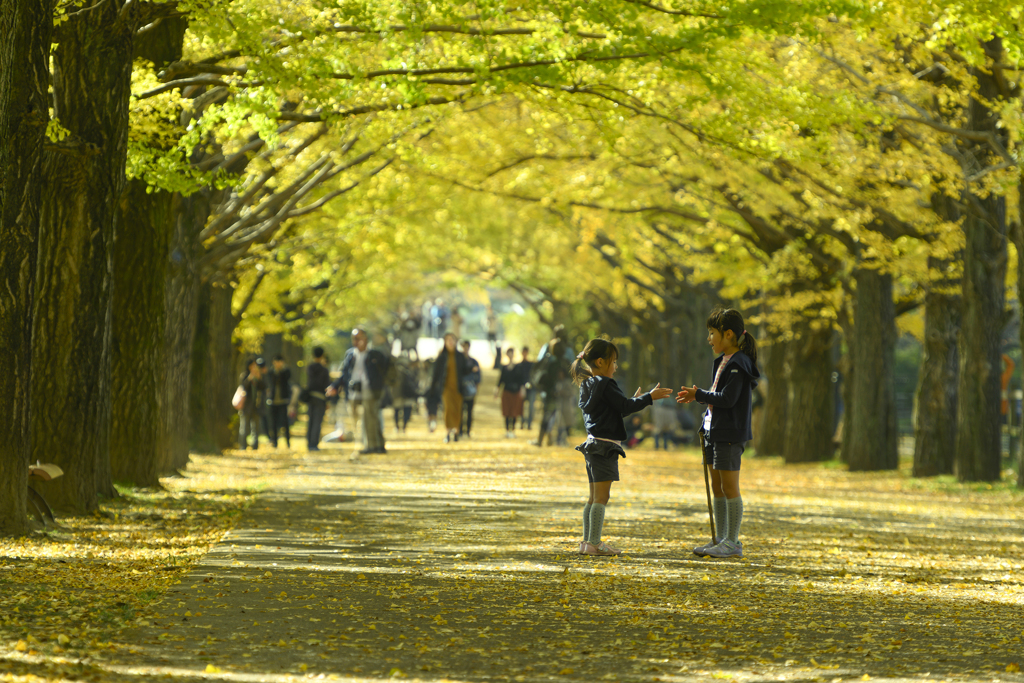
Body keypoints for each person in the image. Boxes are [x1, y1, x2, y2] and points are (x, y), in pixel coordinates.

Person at [571, 338, 673, 556]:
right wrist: (649, 398)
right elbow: (624, 406)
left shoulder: (588, 385)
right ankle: (595, 543)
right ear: (600, 361)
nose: (616, 367)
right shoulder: (606, 384)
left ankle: (587, 542)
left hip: (592, 445)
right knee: (602, 497)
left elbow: (617, 409)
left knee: (593, 497)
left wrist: (635, 400)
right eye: (614, 361)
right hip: (606, 447)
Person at [677, 307, 760, 559]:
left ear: (729, 334)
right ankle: (720, 540)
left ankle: (732, 542)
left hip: (729, 433)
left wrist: (698, 394)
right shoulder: (724, 361)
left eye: (712, 333)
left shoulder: (739, 364)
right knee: (717, 486)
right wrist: (700, 398)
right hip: (714, 431)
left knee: (729, 486)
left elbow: (728, 398)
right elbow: (717, 398)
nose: (709, 338)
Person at [329, 328, 391, 455]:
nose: (356, 341)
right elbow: (344, 373)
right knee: (356, 419)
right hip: (353, 391)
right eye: (354, 338)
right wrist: (335, 386)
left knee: (370, 418)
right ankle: (375, 445)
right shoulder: (350, 355)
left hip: (370, 390)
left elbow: (386, 368)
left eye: (359, 338)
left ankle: (372, 446)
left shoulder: (374, 354)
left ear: (366, 339)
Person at [429, 332, 468, 443]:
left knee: (457, 410)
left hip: (458, 388)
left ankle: (456, 431)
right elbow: (436, 374)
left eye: (452, 340)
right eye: (448, 340)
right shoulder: (442, 357)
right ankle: (448, 431)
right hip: (446, 388)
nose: (450, 343)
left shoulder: (460, 357)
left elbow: (465, 371)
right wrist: (432, 388)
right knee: (447, 410)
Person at [532, 339, 570, 446]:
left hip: (551, 395)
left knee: (547, 416)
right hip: (564, 396)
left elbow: (546, 380)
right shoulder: (566, 362)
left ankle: (540, 440)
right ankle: (560, 440)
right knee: (562, 417)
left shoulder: (551, 363)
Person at [305, 347, 332, 451]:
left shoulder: (310, 367)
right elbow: (326, 385)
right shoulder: (324, 370)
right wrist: (328, 401)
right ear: (322, 355)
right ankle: (314, 443)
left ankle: (308, 442)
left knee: (310, 420)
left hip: (311, 396)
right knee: (317, 421)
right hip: (320, 398)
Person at [266, 354, 295, 448]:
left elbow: (286, 379)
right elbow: (270, 381)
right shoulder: (271, 372)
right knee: (273, 422)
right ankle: (274, 441)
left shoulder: (286, 371)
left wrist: (281, 370)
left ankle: (287, 441)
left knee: (285, 421)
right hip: (273, 400)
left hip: (283, 400)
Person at [238, 357, 266, 450]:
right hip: (246, 406)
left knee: (255, 428)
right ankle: (243, 446)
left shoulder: (258, 376)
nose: (254, 367)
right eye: (253, 365)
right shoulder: (244, 375)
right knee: (244, 428)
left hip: (256, 406)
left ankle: (255, 446)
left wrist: (258, 378)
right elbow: (243, 387)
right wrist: (250, 378)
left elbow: (263, 387)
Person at [496, 347, 524, 437]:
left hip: (515, 392)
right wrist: (497, 391)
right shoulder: (504, 368)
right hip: (506, 392)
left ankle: (513, 430)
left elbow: (521, 380)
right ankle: (508, 430)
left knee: (514, 412)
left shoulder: (518, 367)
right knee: (507, 412)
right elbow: (501, 381)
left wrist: (522, 389)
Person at [460, 340, 482, 438]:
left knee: (469, 411)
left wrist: (476, 389)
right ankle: (460, 430)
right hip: (460, 389)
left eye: (467, 347)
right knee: (460, 411)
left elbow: (478, 377)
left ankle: (467, 431)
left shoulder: (473, 361)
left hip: (471, 389)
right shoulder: (459, 361)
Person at [518, 346, 536, 430]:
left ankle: (529, 424)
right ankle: (522, 423)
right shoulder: (519, 365)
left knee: (531, 407)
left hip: (531, 389)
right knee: (521, 407)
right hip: (522, 388)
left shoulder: (531, 365)